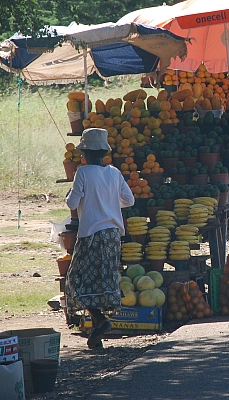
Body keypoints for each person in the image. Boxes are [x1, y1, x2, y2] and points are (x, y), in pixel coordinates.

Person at [65, 128, 135, 349]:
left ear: (84, 153)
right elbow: (129, 200)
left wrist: (81, 194)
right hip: (113, 235)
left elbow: (71, 204)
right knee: (104, 280)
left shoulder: (83, 173)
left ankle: (100, 320)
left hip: (92, 235)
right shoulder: (114, 172)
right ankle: (97, 330)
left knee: (76, 280)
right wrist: (109, 203)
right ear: (104, 153)